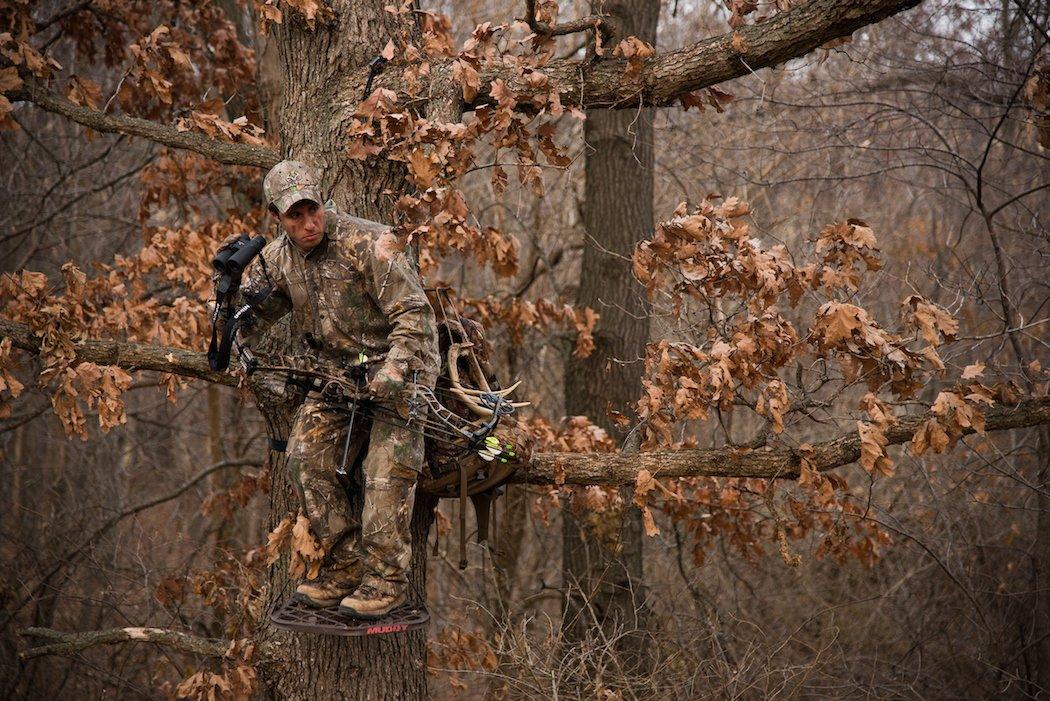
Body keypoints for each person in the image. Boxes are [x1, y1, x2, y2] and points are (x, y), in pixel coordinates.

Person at [217, 160, 439, 619]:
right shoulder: (278, 258)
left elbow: (414, 315)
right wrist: (228, 302)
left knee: (384, 472)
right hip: (339, 378)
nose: (308, 223)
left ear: (323, 202)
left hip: (402, 371)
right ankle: (344, 564)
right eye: (294, 216)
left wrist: (394, 373)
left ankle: (386, 581)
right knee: (304, 458)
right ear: (277, 217)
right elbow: (252, 320)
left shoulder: (369, 243)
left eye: (312, 210)